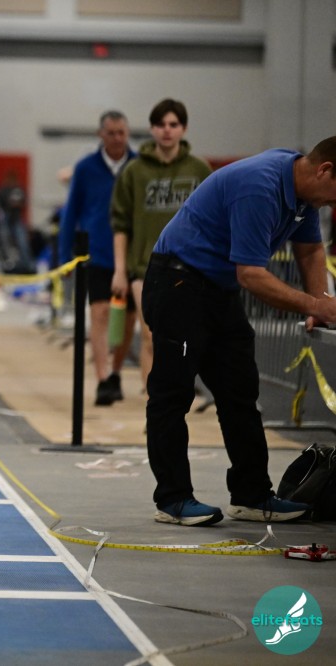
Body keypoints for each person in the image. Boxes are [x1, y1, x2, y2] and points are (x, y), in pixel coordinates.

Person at [142, 138, 336, 527]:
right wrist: (313, 305)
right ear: (325, 170)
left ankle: (251, 495)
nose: (333, 204)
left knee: (240, 392)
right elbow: (250, 275)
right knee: (172, 394)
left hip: (218, 290)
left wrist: (321, 304)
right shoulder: (260, 187)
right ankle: (172, 499)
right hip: (178, 282)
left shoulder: (304, 197)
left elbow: (310, 250)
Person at [111, 99, 211, 391]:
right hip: (145, 269)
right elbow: (120, 225)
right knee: (150, 337)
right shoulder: (134, 171)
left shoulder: (199, 170)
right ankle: (152, 404)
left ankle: (174, 397)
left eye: (173, 124)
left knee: (182, 340)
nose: (167, 130)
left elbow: (212, 220)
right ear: (152, 129)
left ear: (184, 129)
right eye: (160, 124)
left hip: (189, 270)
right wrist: (120, 270)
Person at [59, 110, 138, 406]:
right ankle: (103, 378)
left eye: (122, 133)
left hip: (132, 255)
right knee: (100, 312)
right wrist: (65, 255)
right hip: (97, 252)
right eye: (111, 133)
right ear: (100, 135)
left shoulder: (138, 166)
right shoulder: (86, 168)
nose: (117, 138)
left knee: (128, 319)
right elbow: (71, 212)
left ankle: (116, 371)